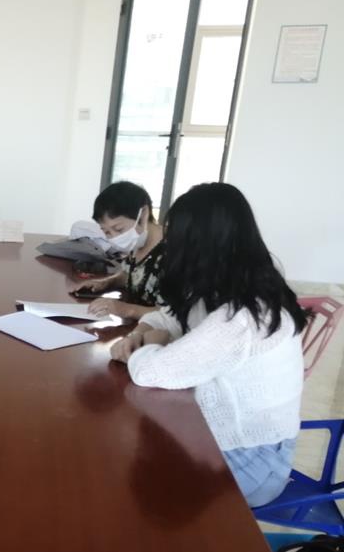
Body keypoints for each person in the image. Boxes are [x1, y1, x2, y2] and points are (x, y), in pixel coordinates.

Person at [110, 182, 308, 507]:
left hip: (254, 459)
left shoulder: (245, 315)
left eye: (176, 239)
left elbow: (151, 371)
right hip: (223, 437)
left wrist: (147, 347)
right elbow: (170, 316)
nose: (169, 247)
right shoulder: (223, 287)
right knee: (132, 454)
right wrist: (139, 333)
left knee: (135, 485)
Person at [76, 181, 165, 320]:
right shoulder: (137, 242)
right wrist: (107, 282)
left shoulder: (174, 252)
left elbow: (173, 317)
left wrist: (126, 310)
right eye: (107, 232)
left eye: (119, 229)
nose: (115, 237)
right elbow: (131, 275)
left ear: (143, 215)